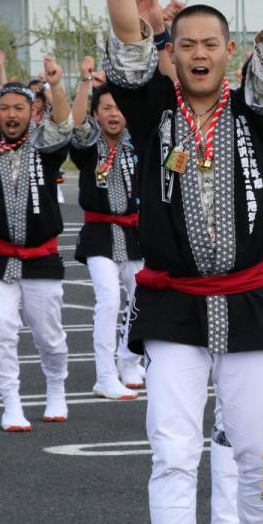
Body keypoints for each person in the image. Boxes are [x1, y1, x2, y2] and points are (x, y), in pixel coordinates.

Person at [97, 0, 263, 524]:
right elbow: (126, 43)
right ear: (173, 56)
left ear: (227, 52)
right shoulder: (153, 113)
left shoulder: (258, 111)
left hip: (247, 300)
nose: (200, 53)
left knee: (260, 446)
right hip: (173, 307)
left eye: (212, 43)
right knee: (174, 452)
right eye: (187, 44)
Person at [0, 54, 73, 432]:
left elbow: (63, 125)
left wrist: (57, 85)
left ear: (33, 113)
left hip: (41, 256)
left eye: (19, 107)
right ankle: (11, 401)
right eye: (5, 108)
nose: (11, 114)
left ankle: (56, 387)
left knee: (49, 334)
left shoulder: (45, 147)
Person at [69, 55, 145, 398]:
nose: (113, 114)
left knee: (142, 297)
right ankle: (105, 374)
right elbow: (76, 124)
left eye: (119, 108)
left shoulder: (139, 144)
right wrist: (86, 82)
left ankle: (130, 361)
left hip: (136, 234)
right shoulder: (88, 147)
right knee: (109, 300)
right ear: (96, 114)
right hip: (99, 233)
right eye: (106, 108)